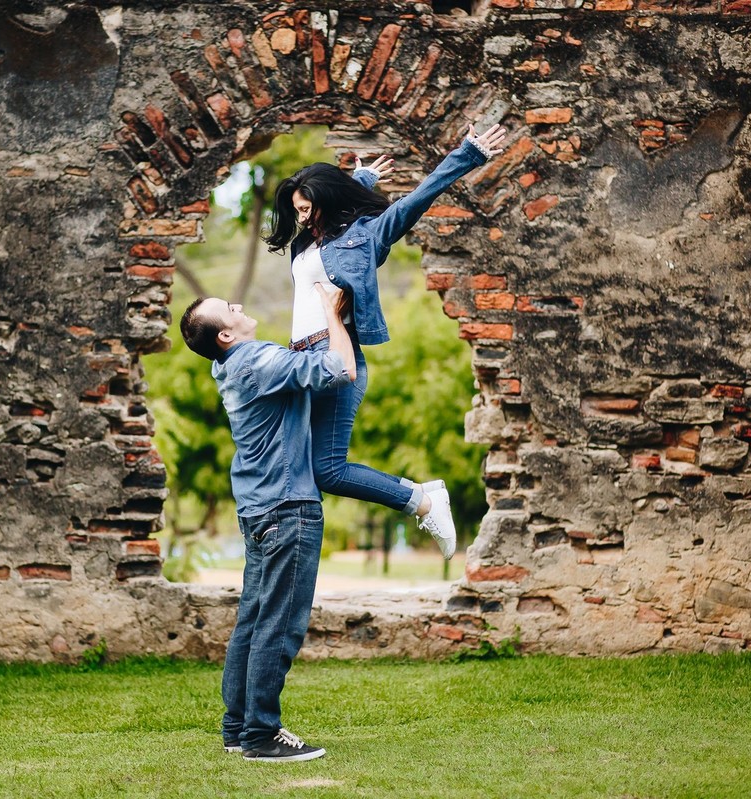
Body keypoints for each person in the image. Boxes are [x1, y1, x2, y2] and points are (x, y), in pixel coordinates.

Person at [264, 121, 510, 559]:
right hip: (299, 359)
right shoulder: (307, 242)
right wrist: (360, 180)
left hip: (335, 356)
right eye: (298, 209)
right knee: (296, 464)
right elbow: (331, 211)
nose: (302, 217)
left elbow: (417, 200)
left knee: (328, 470)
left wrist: (468, 153)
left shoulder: (365, 238)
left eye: (308, 208)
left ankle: (423, 500)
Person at [180, 284, 356, 762]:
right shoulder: (254, 360)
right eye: (228, 310)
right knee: (280, 624)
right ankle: (261, 732)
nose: (238, 307)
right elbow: (340, 370)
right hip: (287, 507)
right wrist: (332, 314)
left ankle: (237, 728)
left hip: (259, 508)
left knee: (253, 620)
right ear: (225, 337)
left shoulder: (229, 367)